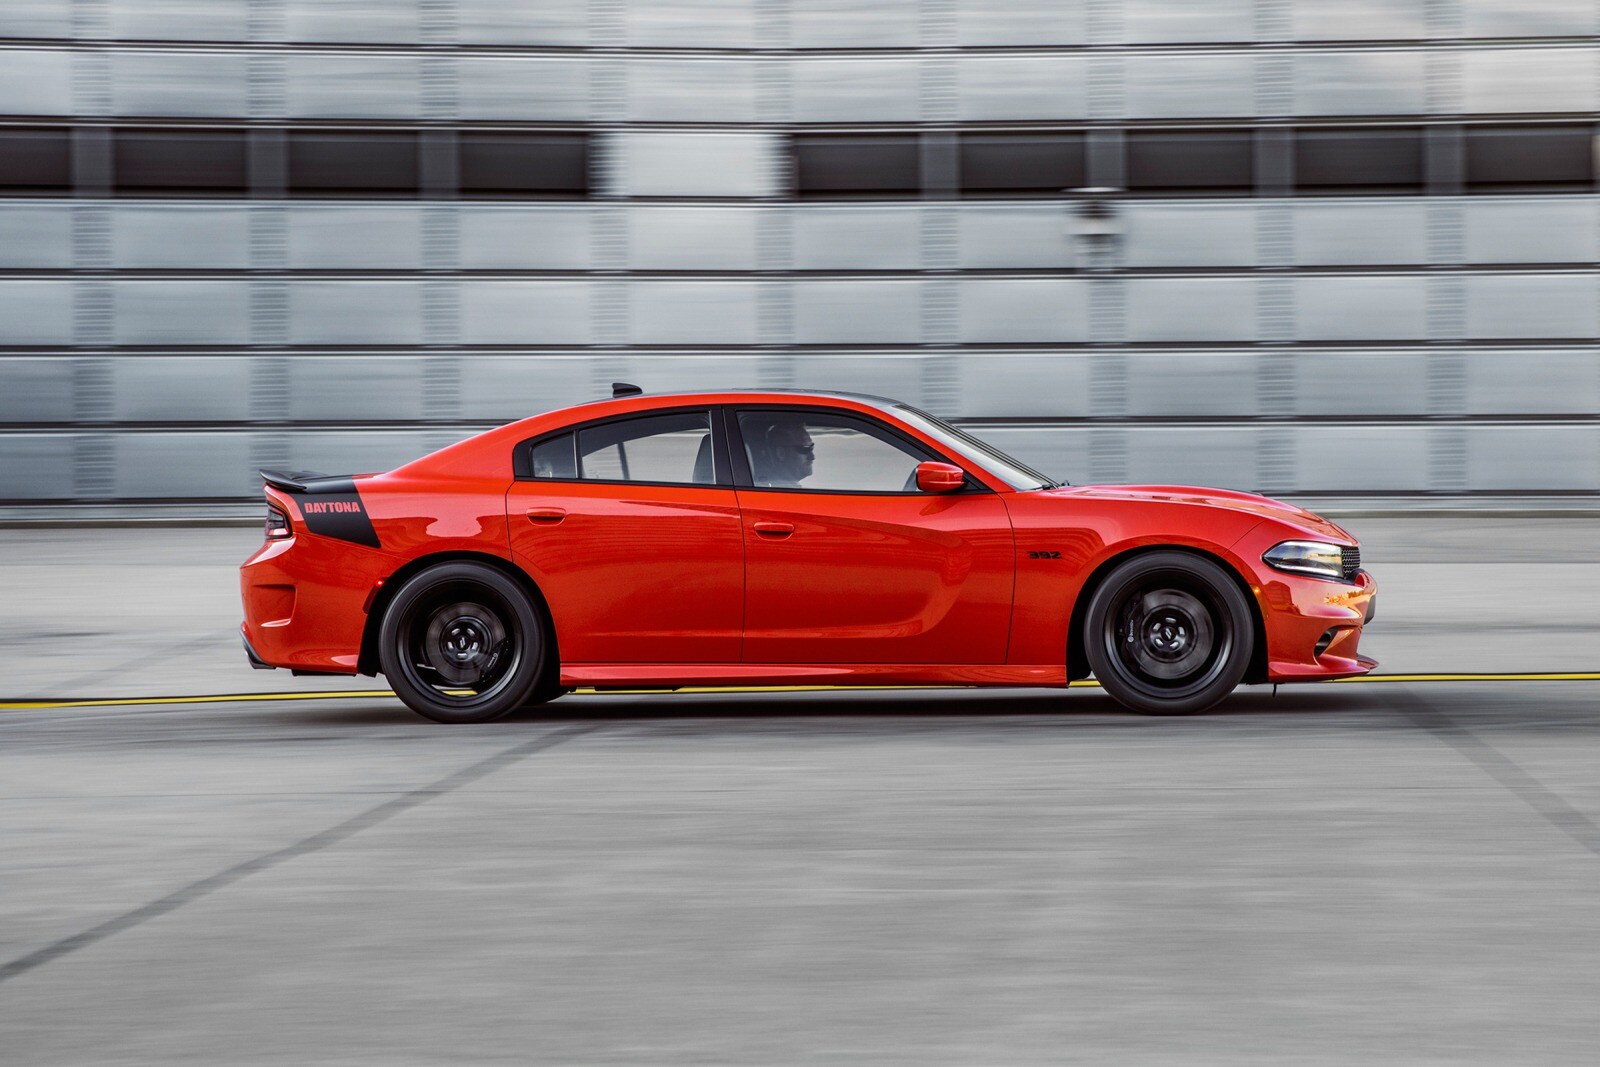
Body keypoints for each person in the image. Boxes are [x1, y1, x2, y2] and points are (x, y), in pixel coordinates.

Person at [751, 415, 815, 488]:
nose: (812, 457)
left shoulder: (780, 487)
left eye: (811, 447)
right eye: (805, 449)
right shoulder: (775, 489)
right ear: (781, 453)